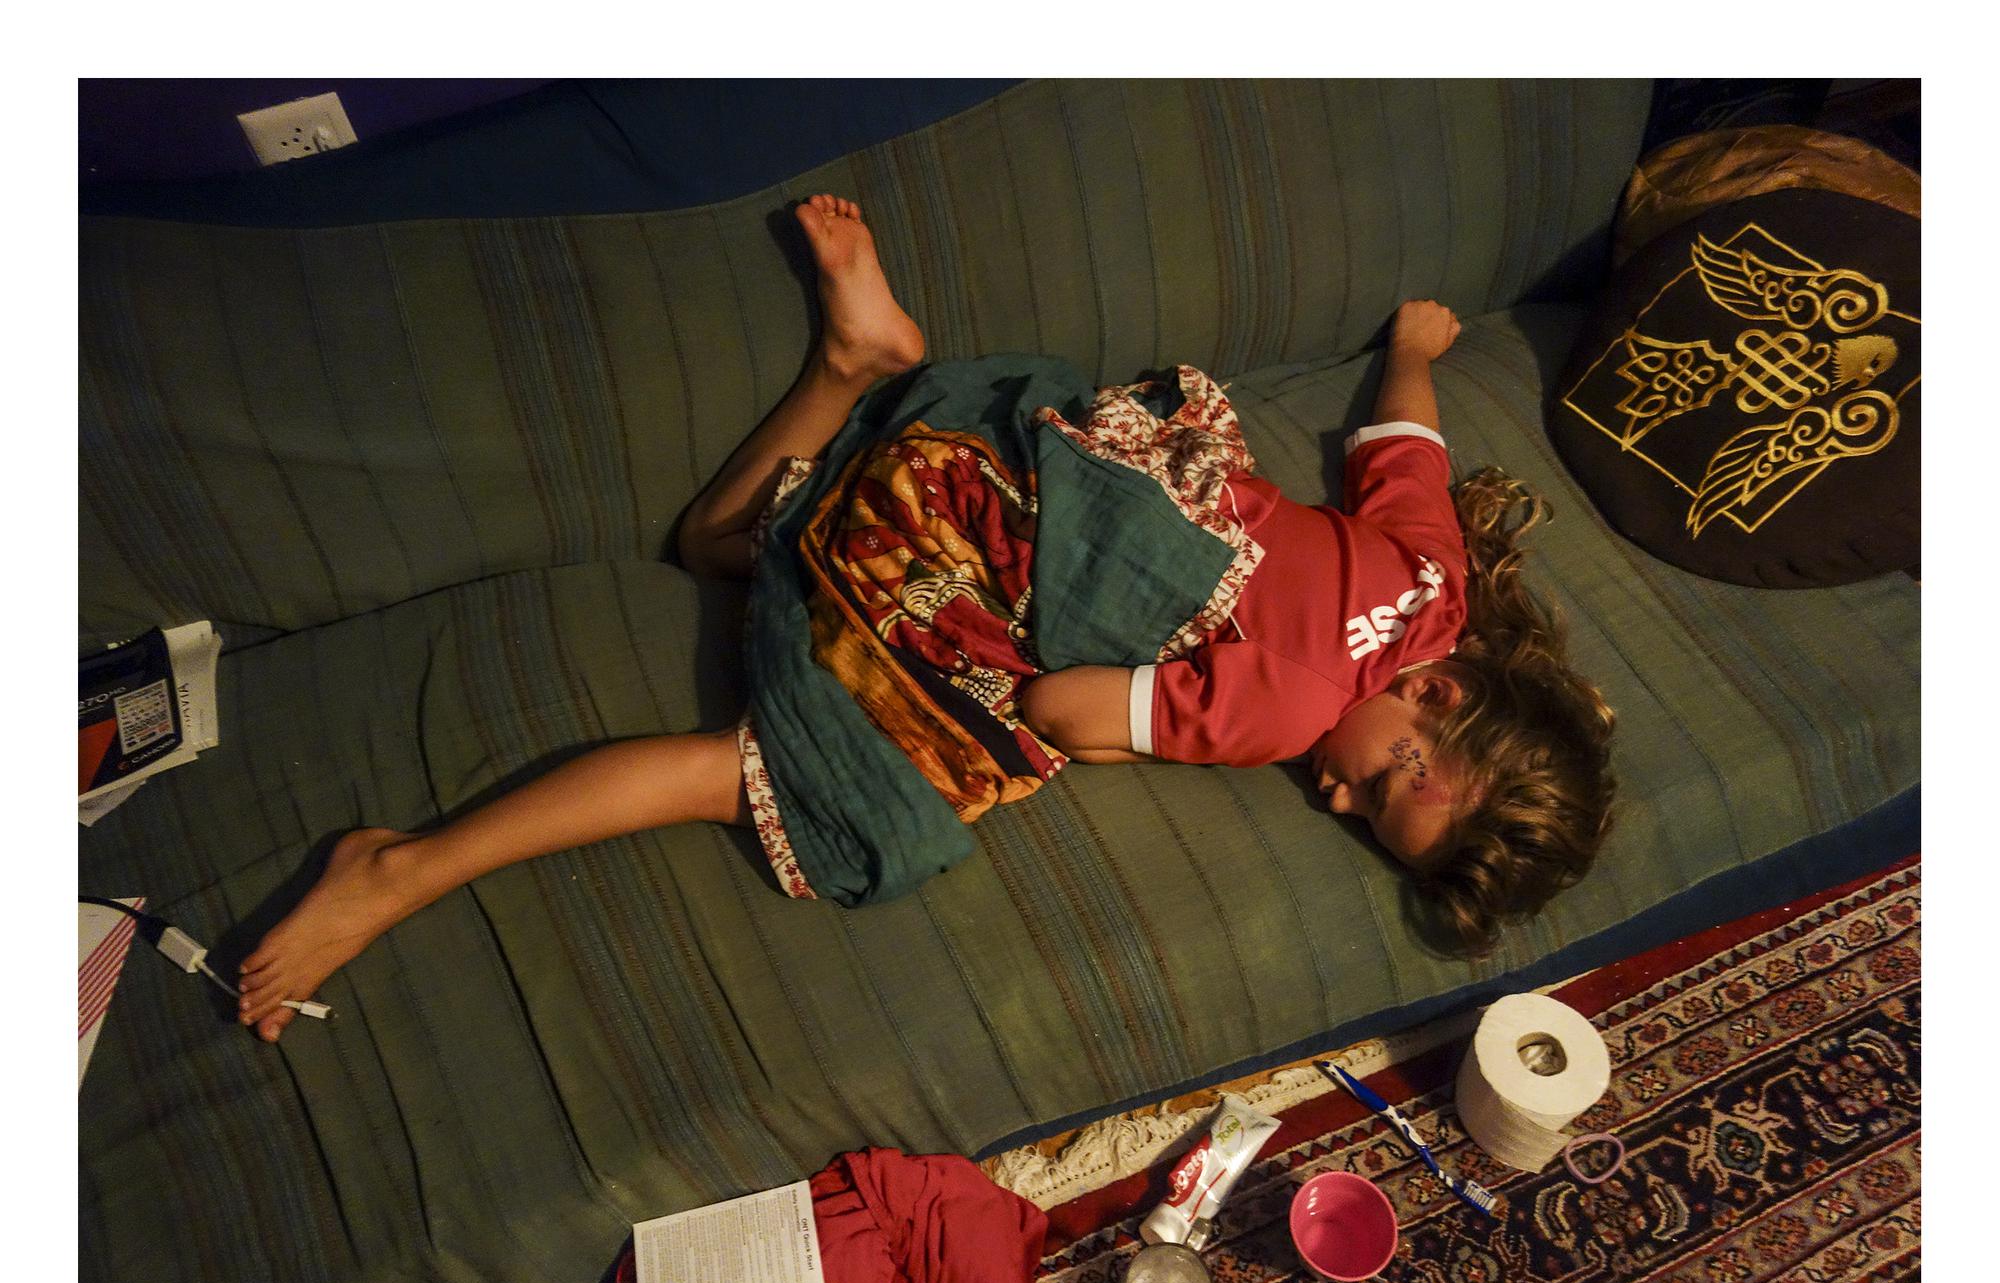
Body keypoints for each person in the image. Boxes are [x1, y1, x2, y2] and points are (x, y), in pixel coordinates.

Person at [234, 194, 1614, 1042]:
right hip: (988, 533)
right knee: (829, 791)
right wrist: (1113, 737)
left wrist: (1414, 349)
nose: (1331, 793)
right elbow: (1060, 704)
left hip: (1026, 451)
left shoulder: (1438, 582)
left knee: (721, 547)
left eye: (1358, 821)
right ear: (1438, 699)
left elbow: (1402, 443)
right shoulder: (1286, 709)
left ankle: (857, 365)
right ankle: (405, 867)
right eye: (1376, 786)